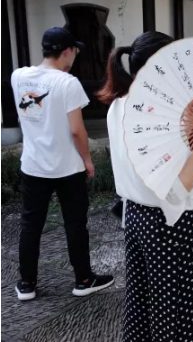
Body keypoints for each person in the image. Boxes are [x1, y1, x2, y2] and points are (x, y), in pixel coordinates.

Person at [98, 31, 193, 342]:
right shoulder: (159, 116)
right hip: (170, 225)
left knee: (143, 302)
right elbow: (176, 193)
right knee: (178, 310)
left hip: (136, 217)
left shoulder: (118, 105)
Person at [11, 27, 114, 301]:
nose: (75, 56)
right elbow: (77, 131)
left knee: (30, 224)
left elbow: (30, 113)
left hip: (32, 166)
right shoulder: (67, 83)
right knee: (75, 224)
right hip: (67, 168)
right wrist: (88, 160)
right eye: (75, 51)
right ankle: (83, 279)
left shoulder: (18, 76)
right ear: (67, 51)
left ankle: (26, 284)